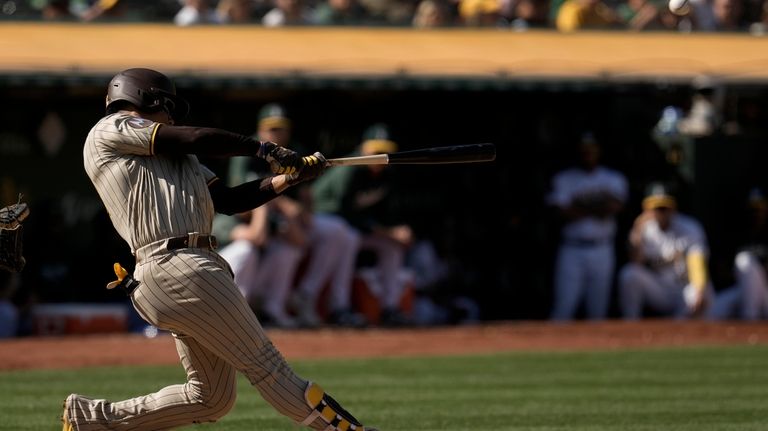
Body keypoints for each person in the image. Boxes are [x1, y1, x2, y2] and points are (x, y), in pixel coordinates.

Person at [65, 67, 379, 431]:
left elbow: (228, 201)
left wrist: (288, 178)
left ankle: (91, 419)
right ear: (145, 97)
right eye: (166, 106)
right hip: (177, 264)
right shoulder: (112, 128)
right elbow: (196, 136)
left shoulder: (178, 159)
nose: (170, 115)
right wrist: (265, 148)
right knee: (268, 367)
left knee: (211, 398)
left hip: (182, 270)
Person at [227, 103, 366, 328]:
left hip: (285, 223)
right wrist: (282, 205)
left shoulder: (294, 151)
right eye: (271, 128)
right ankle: (244, 309)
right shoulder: (247, 151)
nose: (276, 133)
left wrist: (300, 212)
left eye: (280, 128)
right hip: (253, 222)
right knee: (257, 249)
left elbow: (305, 197)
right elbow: (236, 200)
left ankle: (304, 297)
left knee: (342, 235)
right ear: (260, 130)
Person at [311, 123, 413, 326]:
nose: (379, 156)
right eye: (375, 151)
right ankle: (339, 307)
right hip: (325, 220)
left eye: (384, 152)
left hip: (357, 227)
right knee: (349, 237)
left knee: (391, 246)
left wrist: (398, 231)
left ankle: (390, 308)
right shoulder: (350, 170)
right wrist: (387, 231)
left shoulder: (386, 174)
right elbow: (345, 213)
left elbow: (385, 214)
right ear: (363, 149)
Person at [546, 132, 629, 321]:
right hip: (572, 248)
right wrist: (597, 206)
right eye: (584, 151)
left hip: (602, 248)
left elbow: (614, 208)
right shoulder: (564, 178)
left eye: (591, 150)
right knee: (563, 307)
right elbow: (561, 213)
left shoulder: (612, 178)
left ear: (599, 151)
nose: (588, 154)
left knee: (598, 311)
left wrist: (580, 206)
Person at [617, 183, 715, 320]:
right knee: (629, 274)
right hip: (661, 290)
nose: (660, 212)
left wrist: (699, 290)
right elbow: (636, 262)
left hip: (685, 288)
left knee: (700, 290)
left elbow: (697, 261)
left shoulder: (690, 227)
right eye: (656, 208)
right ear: (648, 209)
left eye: (664, 207)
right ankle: (631, 325)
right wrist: (637, 232)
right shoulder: (644, 230)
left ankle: (684, 331)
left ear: (673, 207)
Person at [709, 187, 768, 320]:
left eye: (759, 209)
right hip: (741, 290)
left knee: (746, 260)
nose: (756, 213)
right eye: (753, 209)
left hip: (766, 290)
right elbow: (723, 272)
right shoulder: (736, 235)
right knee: (712, 312)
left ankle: (750, 319)